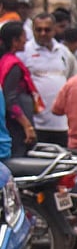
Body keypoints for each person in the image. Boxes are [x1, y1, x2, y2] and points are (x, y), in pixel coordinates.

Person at [18, 12, 77, 146]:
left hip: (61, 124)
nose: (43, 33)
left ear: (54, 29)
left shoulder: (63, 52)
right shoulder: (24, 52)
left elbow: (73, 80)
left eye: (47, 29)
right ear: (33, 29)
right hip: (36, 123)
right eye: (39, 29)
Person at [0, 22, 39, 156]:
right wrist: (27, 126)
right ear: (14, 41)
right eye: (23, 37)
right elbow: (10, 100)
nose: (26, 40)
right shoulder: (12, 65)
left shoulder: (6, 61)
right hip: (15, 128)